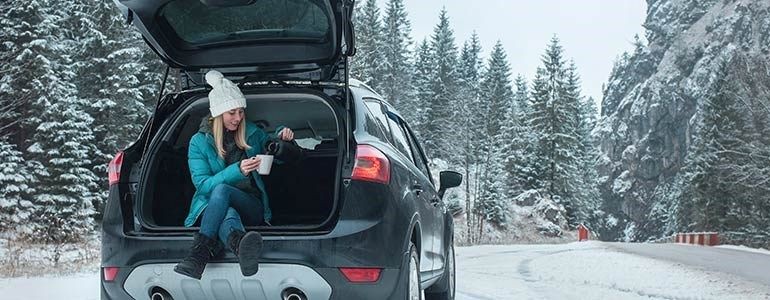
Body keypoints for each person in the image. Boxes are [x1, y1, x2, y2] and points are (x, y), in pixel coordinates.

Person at [174, 70, 295, 280]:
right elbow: (203, 186)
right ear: (218, 114)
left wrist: (283, 136)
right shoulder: (198, 142)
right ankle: (240, 245)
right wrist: (236, 171)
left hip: (251, 206)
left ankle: (198, 254)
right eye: (232, 113)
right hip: (210, 206)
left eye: (241, 112)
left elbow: (273, 147)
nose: (238, 118)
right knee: (225, 208)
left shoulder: (250, 132)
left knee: (224, 194)